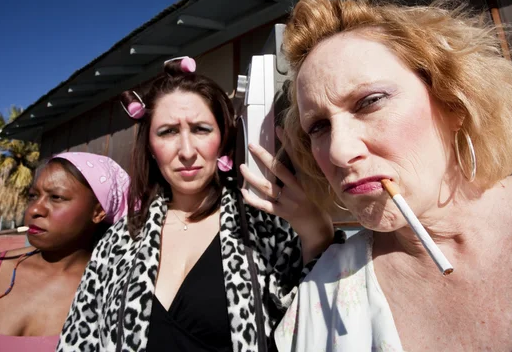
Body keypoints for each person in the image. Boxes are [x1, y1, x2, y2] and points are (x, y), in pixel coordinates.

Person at [273, 0, 512, 352]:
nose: (338, 151)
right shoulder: (318, 309)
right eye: (318, 126)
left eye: (369, 101)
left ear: (454, 101)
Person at [57, 56, 340, 352]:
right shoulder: (117, 241)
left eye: (201, 129)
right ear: (151, 147)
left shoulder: (264, 224)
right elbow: (80, 338)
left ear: (223, 137)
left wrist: (318, 233)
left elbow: (316, 324)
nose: (187, 151)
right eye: (167, 132)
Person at [0, 152, 130, 352]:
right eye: (33, 196)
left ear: (98, 212)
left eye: (56, 197)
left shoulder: (112, 293)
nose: (34, 210)